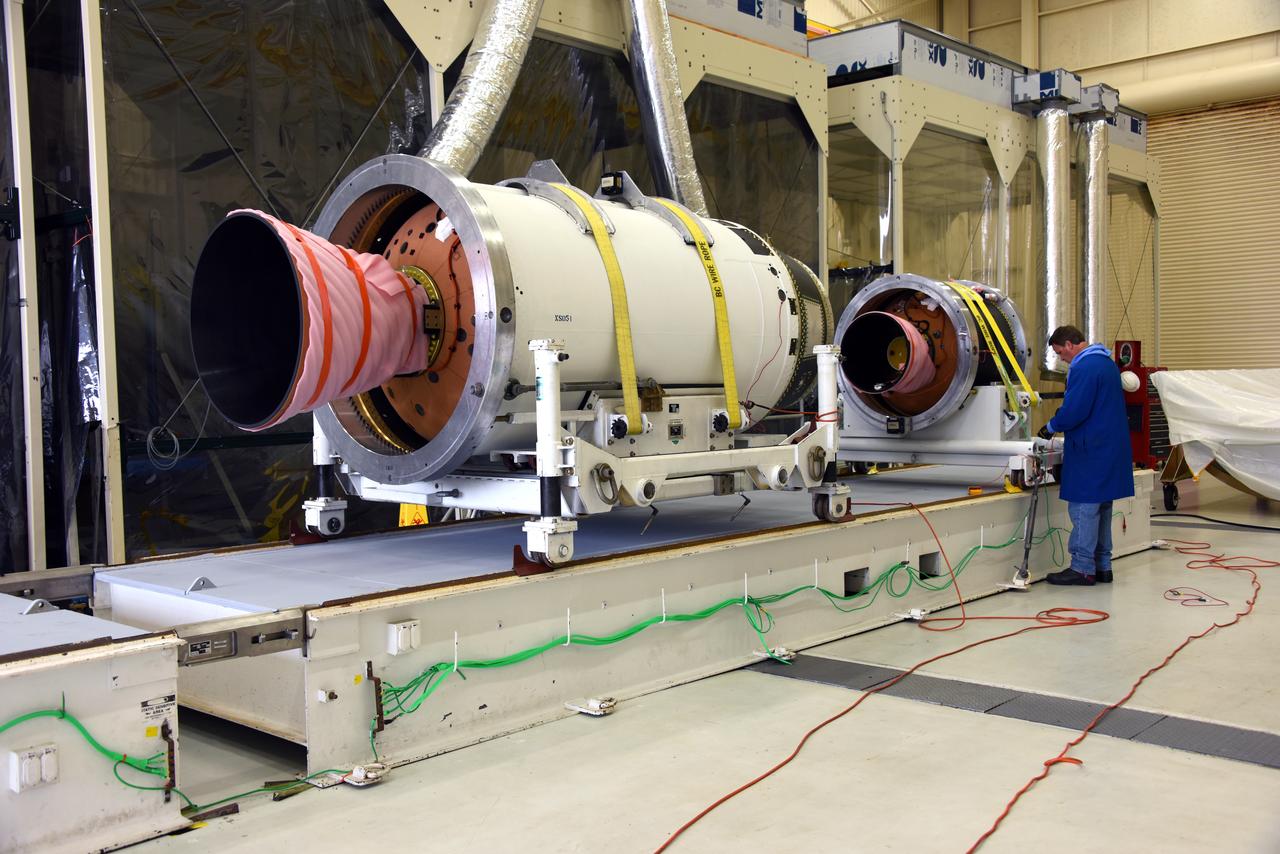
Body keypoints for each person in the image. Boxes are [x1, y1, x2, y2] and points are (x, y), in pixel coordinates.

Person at [1036, 325, 1134, 586]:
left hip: (1091, 449)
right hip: (1110, 448)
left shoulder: (1084, 367)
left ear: (1069, 345)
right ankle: (1102, 565)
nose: (1061, 359)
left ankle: (1081, 568)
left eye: (1059, 353)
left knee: (1084, 508)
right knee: (1103, 507)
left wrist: (1050, 427)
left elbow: (1075, 409)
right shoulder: (1107, 364)